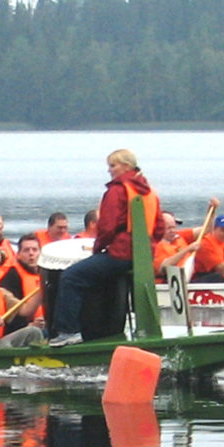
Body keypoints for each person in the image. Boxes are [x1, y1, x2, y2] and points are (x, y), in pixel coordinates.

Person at [50, 149, 163, 347]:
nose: (109, 171)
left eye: (113, 166)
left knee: (71, 276)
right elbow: (160, 228)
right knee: (103, 274)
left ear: (126, 166)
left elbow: (107, 227)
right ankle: (121, 330)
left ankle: (69, 331)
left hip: (121, 253)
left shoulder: (117, 190)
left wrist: (98, 249)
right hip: (142, 257)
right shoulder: (150, 192)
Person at [0, 233, 46, 331]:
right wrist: (28, 325)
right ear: (18, 255)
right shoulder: (12, 276)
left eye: (34, 250)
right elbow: (11, 312)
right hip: (25, 328)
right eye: (26, 250)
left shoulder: (46, 274)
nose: (31, 253)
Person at [152, 211, 200, 280]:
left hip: (189, 276)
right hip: (171, 281)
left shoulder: (180, 236)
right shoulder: (156, 246)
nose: (173, 231)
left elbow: (206, 230)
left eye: (174, 227)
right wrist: (188, 249)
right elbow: (164, 267)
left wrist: (212, 211)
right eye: (169, 228)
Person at [190, 215, 224, 283]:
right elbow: (220, 268)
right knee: (218, 276)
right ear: (213, 229)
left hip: (221, 277)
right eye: (223, 230)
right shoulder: (205, 244)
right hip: (202, 278)